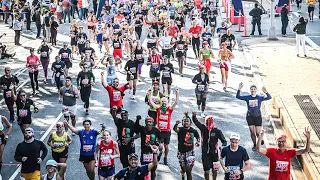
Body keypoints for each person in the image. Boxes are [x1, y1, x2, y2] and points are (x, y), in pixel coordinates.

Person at [147, 88, 179, 165]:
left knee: (166, 146)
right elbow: (151, 102)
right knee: (161, 146)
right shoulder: (158, 109)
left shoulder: (169, 109)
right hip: (160, 131)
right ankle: (160, 152)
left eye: (165, 101)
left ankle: (165, 157)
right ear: (160, 102)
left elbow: (176, 102)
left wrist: (177, 93)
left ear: (167, 102)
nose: (164, 102)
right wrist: (149, 95)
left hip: (167, 131)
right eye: (162, 101)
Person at [236, 82, 272, 151]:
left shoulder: (259, 97)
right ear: (250, 90)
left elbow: (269, 97)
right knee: (252, 132)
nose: (253, 90)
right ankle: (255, 144)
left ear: (256, 90)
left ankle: (260, 140)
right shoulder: (247, 97)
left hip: (258, 117)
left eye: (254, 89)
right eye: (251, 89)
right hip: (250, 117)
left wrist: (266, 92)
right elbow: (238, 96)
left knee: (258, 133)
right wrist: (239, 89)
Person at [192, 113, 227, 180]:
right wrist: (194, 116)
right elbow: (196, 122)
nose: (209, 122)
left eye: (210, 121)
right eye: (207, 121)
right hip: (205, 153)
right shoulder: (203, 128)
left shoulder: (217, 131)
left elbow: (224, 141)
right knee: (207, 171)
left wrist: (222, 146)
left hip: (214, 153)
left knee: (214, 170)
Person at [173, 113, 200, 180]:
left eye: (187, 121)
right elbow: (175, 129)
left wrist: (198, 141)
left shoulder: (193, 131)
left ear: (190, 122)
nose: (186, 122)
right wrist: (176, 124)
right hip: (181, 152)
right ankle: (182, 173)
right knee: (183, 169)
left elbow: (197, 136)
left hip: (190, 153)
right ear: (182, 122)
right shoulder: (180, 129)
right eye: (184, 121)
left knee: (189, 171)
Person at [135, 116, 160, 180]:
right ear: (145, 122)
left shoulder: (156, 130)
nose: (148, 123)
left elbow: (160, 139)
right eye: (147, 122)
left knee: (153, 170)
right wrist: (137, 119)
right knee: (144, 170)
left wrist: (156, 145)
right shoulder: (142, 129)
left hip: (153, 153)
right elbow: (136, 126)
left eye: (150, 122)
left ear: (153, 123)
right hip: (144, 153)